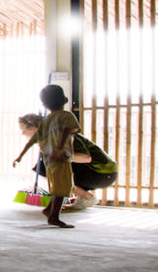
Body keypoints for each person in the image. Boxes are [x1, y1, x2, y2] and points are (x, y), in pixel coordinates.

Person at [15, 113, 118, 210]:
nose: (22, 133)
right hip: (99, 174)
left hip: (103, 174)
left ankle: (87, 197)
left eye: (23, 129)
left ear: (33, 129)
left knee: (46, 167)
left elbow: (86, 158)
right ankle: (80, 196)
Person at [15, 85, 79, 228]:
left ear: (44, 104)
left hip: (49, 160)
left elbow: (33, 140)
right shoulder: (66, 116)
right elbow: (67, 130)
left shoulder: (46, 121)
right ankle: (53, 216)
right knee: (63, 187)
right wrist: (60, 148)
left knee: (59, 186)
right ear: (65, 99)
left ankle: (50, 210)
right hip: (60, 157)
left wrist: (20, 156)